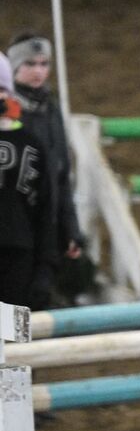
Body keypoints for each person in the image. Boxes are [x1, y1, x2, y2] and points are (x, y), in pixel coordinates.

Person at [7, 32, 84, 293]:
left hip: (39, 233)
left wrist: (71, 229)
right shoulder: (9, 117)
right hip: (17, 231)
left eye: (44, 64)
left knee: (24, 312)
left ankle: (23, 332)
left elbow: (61, 176)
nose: (38, 71)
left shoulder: (52, 110)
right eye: (30, 64)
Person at [0, 55, 59, 309]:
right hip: (18, 252)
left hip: (18, 259)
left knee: (15, 341)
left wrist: (45, 271)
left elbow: (46, 210)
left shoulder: (32, 144)